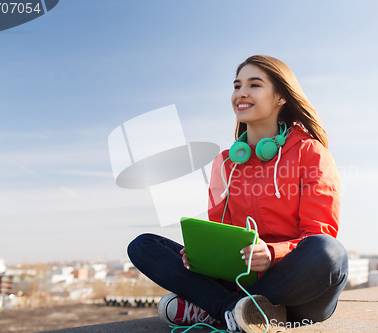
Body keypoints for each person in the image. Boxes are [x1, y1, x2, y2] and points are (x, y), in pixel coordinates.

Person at [127, 55, 348, 333]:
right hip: (242, 278)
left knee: (330, 252)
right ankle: (235, 311)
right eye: (236, 85)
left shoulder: (310, 152)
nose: (240, 93)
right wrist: (201, 257)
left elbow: (318, 232)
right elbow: (221, 233)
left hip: (297, 288)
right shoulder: (225, 163)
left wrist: (271, 254)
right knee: (142, 245)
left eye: (254, 85)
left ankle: (217, 308)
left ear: (280, 97)